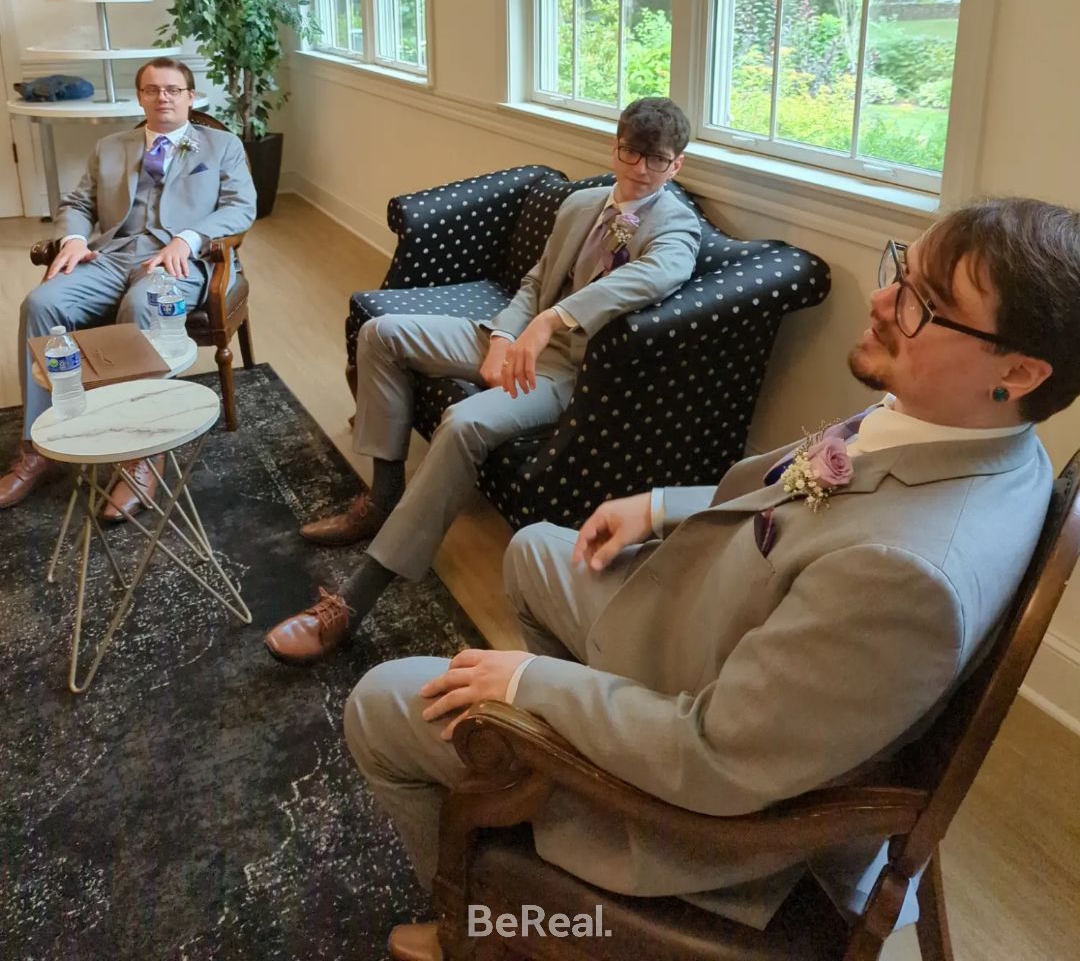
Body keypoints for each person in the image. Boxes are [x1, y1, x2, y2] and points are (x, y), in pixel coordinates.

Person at [342, 197, 1080, 961]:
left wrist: (530, 688)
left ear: (1020, 370)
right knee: (536, 550)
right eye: (904, 270)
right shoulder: (979, 438)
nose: (882, 299)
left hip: (699, 810)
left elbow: (714, 761)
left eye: (926, 304)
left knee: (382, 705)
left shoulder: (908, 579)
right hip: (731, 638)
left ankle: (487, 926)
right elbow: (799, 496)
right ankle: (546, 782)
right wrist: (659, 507)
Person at [264, 97, 702, 665]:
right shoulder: (582, 204)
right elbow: (535, 281)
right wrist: (503, 337)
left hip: (570, 370)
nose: (641, 170)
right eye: (631, 153)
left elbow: (658, 273)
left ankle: (356, 599)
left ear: (678, 165)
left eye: (657, 161)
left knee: (464, 420)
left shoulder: (676, 225)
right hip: (513, 338)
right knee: (381, 333)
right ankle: (385, 494)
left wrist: (553, 321)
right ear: (614, 147)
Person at [0, 62, 257, 519]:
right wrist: (75, 239)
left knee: (142, 306)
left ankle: (142, 455)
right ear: (139, 97)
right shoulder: (110, 146)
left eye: (174, 90)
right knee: (42, 302)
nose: (164, 98)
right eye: (153, 90)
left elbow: (241, 207)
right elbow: (78, 202)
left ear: (191, 97)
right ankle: (37, 445)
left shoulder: (222, 146)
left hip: (177, 260)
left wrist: (189, 238)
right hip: (111, 254)